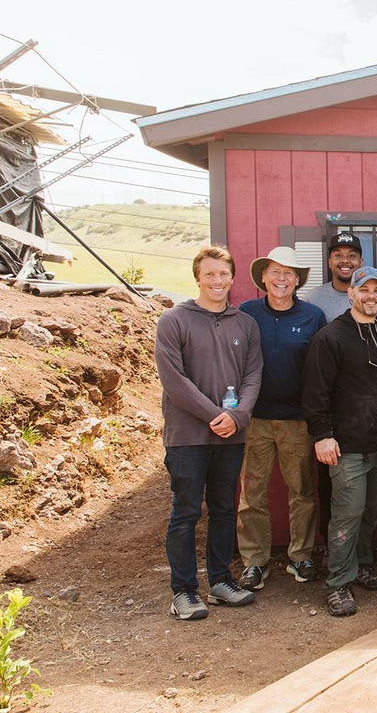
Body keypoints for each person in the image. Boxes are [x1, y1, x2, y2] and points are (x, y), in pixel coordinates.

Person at [155, 245, 263, 620]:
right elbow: (174, 381)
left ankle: (220, 582)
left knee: (223, 509)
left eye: (223, 274)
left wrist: (240, 416)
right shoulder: (174, 320)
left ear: (232, 277)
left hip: (231, 436)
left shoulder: (245, 324)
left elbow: (253, 375)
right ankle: (183, 591)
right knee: (186, 513)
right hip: (187, 437)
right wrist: (216, 415)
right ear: (198, 278)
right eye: (210, 274)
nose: (217, 281)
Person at [302, 266, 377, 617]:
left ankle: (362, 564)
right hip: (346, 446)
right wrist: (323, 435)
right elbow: (315, 391)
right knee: (347, 514)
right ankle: (338, 583)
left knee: (370, 512)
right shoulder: (332, 336)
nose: (370, 296)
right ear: (351, 293)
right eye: (364, 290)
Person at [236, 247, 327, 592]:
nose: (281, 279)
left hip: (297, 420)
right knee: (252, 493)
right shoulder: (246, 313)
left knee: (301, 492)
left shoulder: (313, 316)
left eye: (289, 273)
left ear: (297, 280)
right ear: (263, 277)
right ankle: (254, 562)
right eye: (275, 271)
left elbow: (320, 370)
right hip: (255, 419)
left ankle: (301, 556)